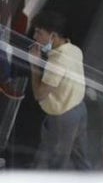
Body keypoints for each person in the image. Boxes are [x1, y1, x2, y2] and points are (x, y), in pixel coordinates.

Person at [28, 11, 89, 170]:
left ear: (52, 36)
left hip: (62, 117)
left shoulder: (57, 62)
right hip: (79, 108)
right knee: (78, 153)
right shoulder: (74, 49)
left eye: (39, 33)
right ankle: (89, 179)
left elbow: (39, 94)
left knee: (55, 158)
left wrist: (34, 65)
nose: (35, 37)